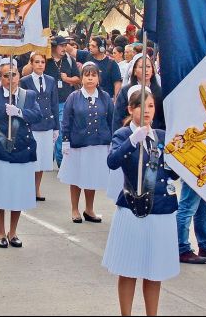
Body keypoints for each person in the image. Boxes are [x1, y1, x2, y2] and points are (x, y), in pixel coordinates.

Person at [102, 88, 179, 316]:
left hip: (161, 210)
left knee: (154, 271)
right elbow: (112, 162)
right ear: (130, 109)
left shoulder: (162, 136)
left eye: (151, 106)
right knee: (128, 269)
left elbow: (173, 174)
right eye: (141, 106)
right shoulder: (123, 134)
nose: (147, 110)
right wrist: (132, 142)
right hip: (133, 209)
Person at [0, 59, 43, 248]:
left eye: (13, 74)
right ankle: (0, 231)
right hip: (0, 150)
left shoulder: (28, 95)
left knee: (18, 194)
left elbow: (38, 116)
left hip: (23, 149)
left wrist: (19, 112)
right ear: (0, 77)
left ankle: (13, 231)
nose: (10, 79)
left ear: (19, 76)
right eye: (6, 75)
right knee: (0, 193)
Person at [59, 62, 114, 224]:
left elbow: (112, 120)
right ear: (81, 78)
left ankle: (89, 209)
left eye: (93, 75)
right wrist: (65, 142)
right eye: (86, 75)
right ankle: (75, 209)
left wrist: (112, 142)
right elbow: (66, 121)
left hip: (99, 144)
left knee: (93, 177)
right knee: (76, 177)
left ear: (98, 78)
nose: (90, 78)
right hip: (78, 144)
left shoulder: (105, 97)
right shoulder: (73, 97)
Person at [19, 53, 59, 201]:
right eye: (37, 62)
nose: (40, 64)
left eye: (42, 62)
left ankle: (36, 189)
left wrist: (56, 127)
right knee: (31, 159)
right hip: (32, 124)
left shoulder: (50, 80)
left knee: (42, 159)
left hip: (47, 124)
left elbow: (54, 103)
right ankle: (26, 188)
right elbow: (21, 103)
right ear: (31, 63)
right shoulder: (25, 81)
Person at [44, 37, 80, 168]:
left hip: (64, 101)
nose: (64, 48)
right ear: (54, 46)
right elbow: (27, 72)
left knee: (60, 130)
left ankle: (60, 160)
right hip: (47, 102)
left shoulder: (69, 60)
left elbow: (78, 78)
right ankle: (48, 157)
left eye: (66, 45)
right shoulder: (45, 59)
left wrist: (68, 79)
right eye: (61, 45)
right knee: (48, 131)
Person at [114, 54, 165, 131]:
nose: (146, 70)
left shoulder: (160, 92)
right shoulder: (125, 91)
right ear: (134, 71)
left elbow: (163, 118)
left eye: (148, 67)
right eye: (141, 67)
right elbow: (118, 117)